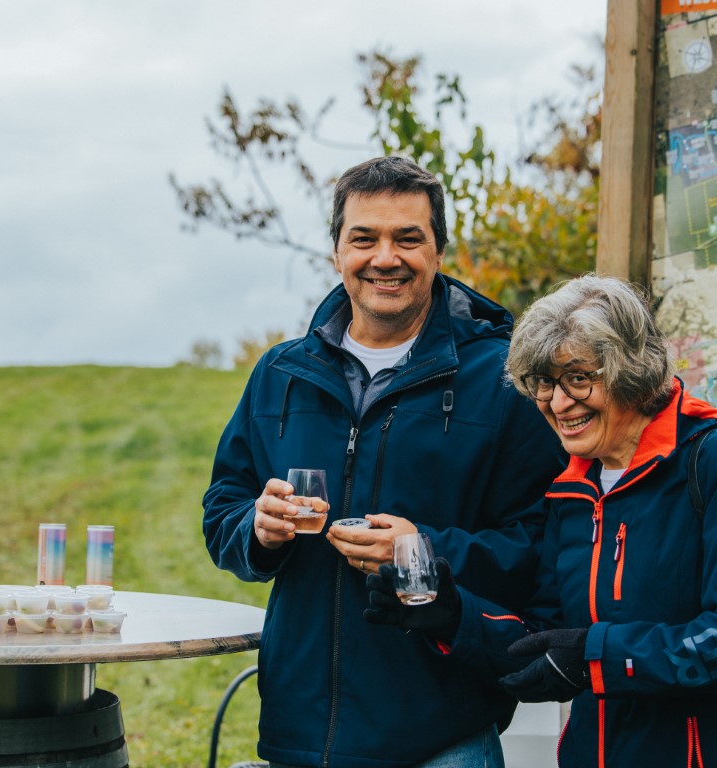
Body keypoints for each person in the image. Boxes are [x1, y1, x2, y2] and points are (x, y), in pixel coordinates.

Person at [366, 274, 717, 766]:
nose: (558, 403)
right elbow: (548, 641)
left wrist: (596, 656)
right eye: (543, 382)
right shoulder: (571, 488)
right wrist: (454, 616)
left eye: (578, 378)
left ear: (632, 370)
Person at [202, 156, 566, 768]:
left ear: (440, 252)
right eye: (364, 238)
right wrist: (257, 530)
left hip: (443, 738)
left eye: (408, 238)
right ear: (337, 252)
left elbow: (541, 549)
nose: (385, 258)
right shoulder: (281, 375)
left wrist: (422, 550)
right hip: (302, 734)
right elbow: (223, 513)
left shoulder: (503, 382)